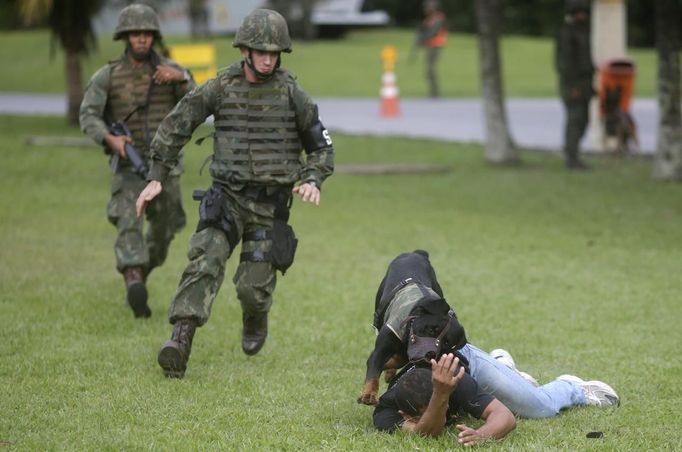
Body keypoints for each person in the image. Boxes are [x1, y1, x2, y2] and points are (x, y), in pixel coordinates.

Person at [135, 9, 334, 378]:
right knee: (204, 261)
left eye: (275, 53)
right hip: (226, 197)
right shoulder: (221, 87)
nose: (268, 59)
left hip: (269, 206)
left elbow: (322, 148)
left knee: (251, 289)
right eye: (261, 51)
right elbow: (178, 123)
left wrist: (312, 178)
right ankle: (179, 341)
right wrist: (157, 174)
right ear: (244, 50)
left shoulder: (293, 94)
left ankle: (255, 318)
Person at [79, 3, 196, 318]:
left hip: (166, 166)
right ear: (125, 37)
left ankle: (141, 274)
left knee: (167, 226)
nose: (142, 40)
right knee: (129, 221)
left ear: (154, 36)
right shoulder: (109, 75)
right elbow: (88, 115)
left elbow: (197, 104)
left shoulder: (170, 71)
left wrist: (181, 77)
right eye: (135, 34)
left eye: (146, 34)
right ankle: (132, 276)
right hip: (129, 165)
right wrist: (110, 139)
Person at [374, 353, 517, 446]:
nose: (445, 410)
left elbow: (505, 416)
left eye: (445, 404)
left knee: (536, 408)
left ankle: (502, 364)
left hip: (461, 359)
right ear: (407, 416)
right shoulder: (386, 411)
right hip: (435, 369)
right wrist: (440, 396)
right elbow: (426, 434)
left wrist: (481, 435)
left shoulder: (453, 381)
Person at [555, 0, 595, 170]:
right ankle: (571, 157)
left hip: (584, 83)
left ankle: (573, 151)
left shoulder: (583, 32)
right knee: (575, 120)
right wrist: (573, 87)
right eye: (580, 12)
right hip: (573, 84)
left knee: (584, 120)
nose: (583, 15)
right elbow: (565, 64)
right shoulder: (567, 34)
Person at [414, 0, 447, 99]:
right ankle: (432, 92)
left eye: (428, 7)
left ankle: (434, 93)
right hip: (429, 46)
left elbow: (433, 32)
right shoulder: (428, 19)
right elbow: (423, 31)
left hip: (436, 46)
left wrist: (421, 39)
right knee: (428, 70)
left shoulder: (438, 18)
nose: (426, 9)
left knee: (430, 70)